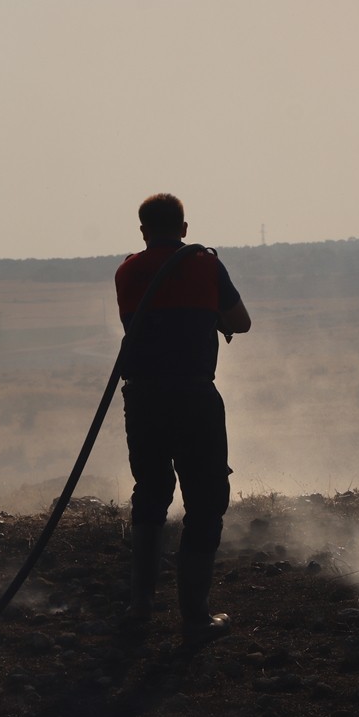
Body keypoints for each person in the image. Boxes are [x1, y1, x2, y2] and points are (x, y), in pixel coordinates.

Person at [114, 193, 250, 636]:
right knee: (206, 500)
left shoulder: (127, 271)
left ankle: (140, 605)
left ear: (143, 231)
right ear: (184, 228)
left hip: (143, 398)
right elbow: (241, 321)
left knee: (151, 493)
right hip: (194, 396)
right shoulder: (206, 265)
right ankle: (195, 615)